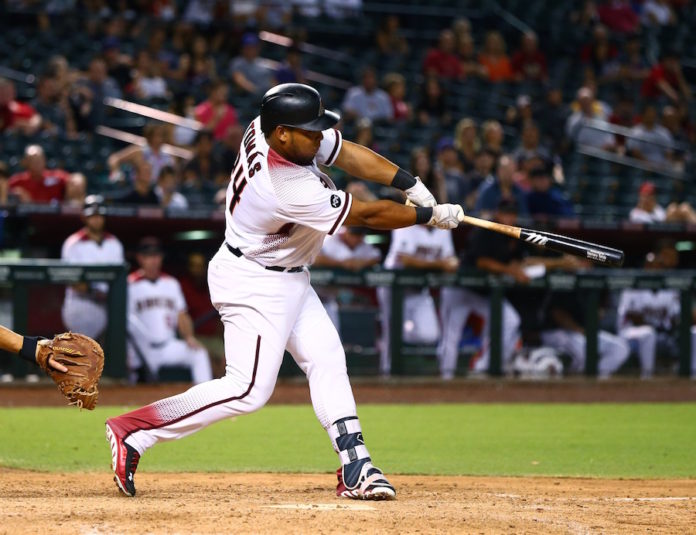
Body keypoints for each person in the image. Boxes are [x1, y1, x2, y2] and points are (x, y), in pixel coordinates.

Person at [105, 82, 463, 500]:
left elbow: (345, 152)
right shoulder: (285, 185)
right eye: (309, 131)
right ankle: (134, 431)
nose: (318, 137)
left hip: (287, 273)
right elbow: (366, 214)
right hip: (254, 281)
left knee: (327, 357)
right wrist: (427, 214)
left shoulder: (269, 126)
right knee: (247, 390)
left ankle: (356, 465)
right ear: (283, 135)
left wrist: (409, 182)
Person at [125, 236, 213, 385]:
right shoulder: (129, 284)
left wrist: (189, 336)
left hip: (167, 345)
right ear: (140, 259)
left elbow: (182, 314)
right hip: (140, 350)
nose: (153, 261)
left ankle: (205, 399)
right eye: (149, 256)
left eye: (156, 256)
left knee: (199, 354)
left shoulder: (171, 283)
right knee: (133, 385)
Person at [378, 223, 459, 377]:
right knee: (390, 331)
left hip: (419, 289)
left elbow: (451, 260)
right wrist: (439, 264)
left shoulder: (443, 230)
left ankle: (402, 328)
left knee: (430, 334)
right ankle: (387, 373)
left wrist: (445, 264)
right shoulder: (404, 226)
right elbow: (405, 260)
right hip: (392, 287)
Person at [616, 242, 696, 378]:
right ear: (645, 267)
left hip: (663, 335)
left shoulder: (670, 288)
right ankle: (647, 376)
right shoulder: (633, 285)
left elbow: (676, 316)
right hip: (631, 334)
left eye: (659, 266)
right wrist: (657, 323)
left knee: (694, 332)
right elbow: (632, 316)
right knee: (649, 333)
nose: (654, 269)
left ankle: (693, 374)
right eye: (651, 266)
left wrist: (678, 324)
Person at [61, 195, 125, 340]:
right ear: (84, 218)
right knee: (82, 352)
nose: (96, 219)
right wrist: (94, 292)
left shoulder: (114, 243)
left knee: (106, 352)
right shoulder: (73, 243)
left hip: (109, 305)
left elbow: (119, 278)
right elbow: (72, 279)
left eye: (99, 215)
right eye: (92, 216)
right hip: (81, 304)